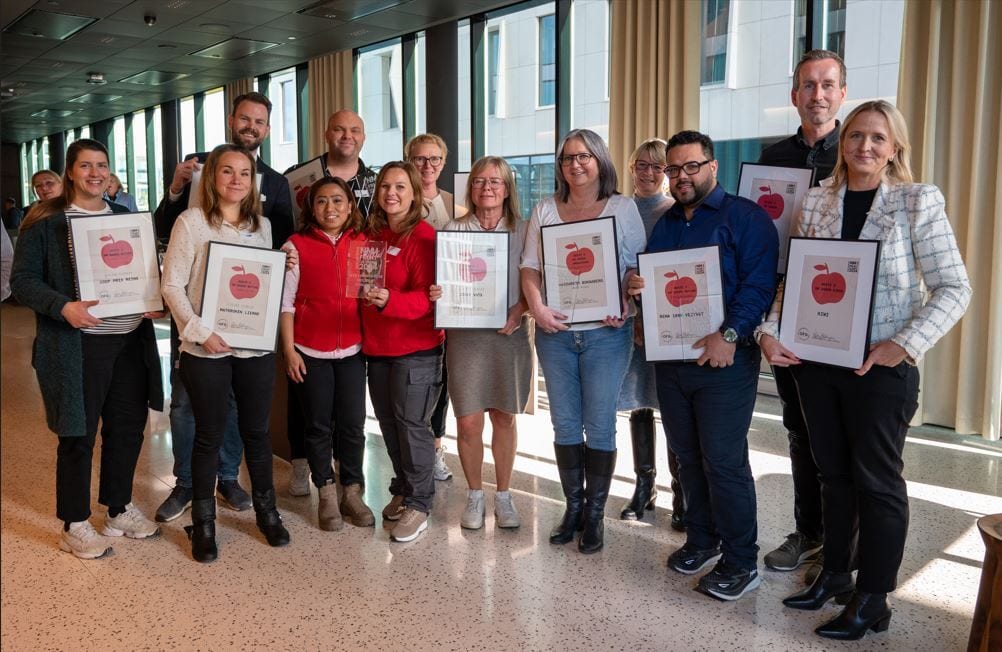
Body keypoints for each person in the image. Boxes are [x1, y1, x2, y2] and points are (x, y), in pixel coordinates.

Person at [757, 100, 971, 639]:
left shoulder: (916, 202)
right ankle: (833, 575)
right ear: (842, 142)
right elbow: (797, 280)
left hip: (879, 368)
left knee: (878, 483)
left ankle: (873, 596)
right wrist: (770, 331)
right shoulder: (817, 200)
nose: (864, 147)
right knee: (833, 476)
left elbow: (955, 288)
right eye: (856, 137)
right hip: (818, 362)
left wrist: (904, 344)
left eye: (878, 138)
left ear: (894, 147)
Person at [628, 130, 778, 600]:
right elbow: (656, 280)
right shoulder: (668, 223)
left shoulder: (746, 219)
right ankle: (702, 538)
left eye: (691, 167)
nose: (681, 177)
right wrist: (637, 284)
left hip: (723, 361)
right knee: (687, 456)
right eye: (674, 169)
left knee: (724, 461)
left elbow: (757, 288)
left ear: (712, 166)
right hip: (673, 360)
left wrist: (729, 334)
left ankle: (740, 560)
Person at [10, 139, 163, 559]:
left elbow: (145, 274)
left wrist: (152, 300)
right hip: (80, 346)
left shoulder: (124, 220)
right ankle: (74, 522)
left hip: (130, 340)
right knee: (77, 433)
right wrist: (63, 307)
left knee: (127, 429)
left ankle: (118, 509)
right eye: (85, 166)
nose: (95, 173)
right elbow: (21, 282)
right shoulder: (44, 221)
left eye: (102, 165)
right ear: (70, 172)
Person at [153, 91, 294, 523]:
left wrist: (288, 258)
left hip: (248, 341)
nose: (236, 179)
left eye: (244, 174)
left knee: (242, 418)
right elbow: (170, 279)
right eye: (228, 172)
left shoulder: (267, 213)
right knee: (188, 411)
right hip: (200, 337)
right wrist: (198, 330)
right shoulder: (191, 212)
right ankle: (189, 488)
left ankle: (229, 480)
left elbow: (275, 259)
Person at [521, 128, 646, 554]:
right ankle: (572, 508)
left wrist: (626, 293)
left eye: (584, 156)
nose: (576, 164)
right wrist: (537, 309)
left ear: (600, 161)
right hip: (555, 335)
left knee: (600, 423)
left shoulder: (622, 208)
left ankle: (594, 515)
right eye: (568, 157)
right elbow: (530, 269)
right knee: (565, 423)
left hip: (606, 334)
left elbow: (634, 270)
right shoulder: (544, 210)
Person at [758, 49, 847, 580]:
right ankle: (809, 533)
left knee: (841, 433)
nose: (817, 94)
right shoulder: (772, 155)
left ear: (841, 93)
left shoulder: (859, 149)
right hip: (784, 306)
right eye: (808, 85)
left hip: (841, 311)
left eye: (827, 84)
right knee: (797, 427)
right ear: (795, 95)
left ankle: (845, 546)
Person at [427, 156, 532, 530]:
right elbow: (442, 281)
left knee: (504, 416)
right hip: (466, 337)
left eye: (496, 182)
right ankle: (474, 495)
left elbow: (537, 283)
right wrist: (439, 291)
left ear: (507, 189)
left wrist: (519, 309)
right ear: (469, 188)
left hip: (509, 333)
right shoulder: (454, 229)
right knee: (468, 421)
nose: (487, 188)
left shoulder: (523, 229)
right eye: (479, 181)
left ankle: (503, 495)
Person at [283, 108, 377, 495]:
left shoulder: (364, 244)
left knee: (353, 424)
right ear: (311, 207)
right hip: (310, 349)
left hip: (353, 349)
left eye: (338, 201)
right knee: (318, 423)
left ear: (350, 206)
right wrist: (289, 351)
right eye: (322, 202)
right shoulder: (296, 246)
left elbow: (372, 297)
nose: (331, 209)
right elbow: (286, 304)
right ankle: (324, 487)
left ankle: (352, 489)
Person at [361, 161, 444, 543]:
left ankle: (421, 504)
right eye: (384, 187)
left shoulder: (424, 238)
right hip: (378, 348)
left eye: (399, 187)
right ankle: (405, 488)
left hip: (416, 349)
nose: (390, 193)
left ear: (414, 193)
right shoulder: (372, 235)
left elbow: (428, 301)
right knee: (390, 426)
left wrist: (389, 300)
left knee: (412, 426)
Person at [615, 138, 685, 530]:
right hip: (630, 323)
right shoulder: (620, 210)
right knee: (640, 404)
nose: (648, 172)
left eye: (657, 167)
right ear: (631, 167)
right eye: (641, 165)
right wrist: (634, 318)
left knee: (671, 406)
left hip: (666, 324)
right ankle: (645, 486)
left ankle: (682, 492)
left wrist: (652, 320)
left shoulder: (676, 211)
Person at [405, 132, 468, 483]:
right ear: (409, 160)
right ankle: (411, 455)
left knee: (441, 386)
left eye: (435, 159)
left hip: (449, 312)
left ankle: (436, 452)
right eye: (420, 159)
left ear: (443, 163)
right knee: (415, 390)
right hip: (412, 311)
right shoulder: (399, 200)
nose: (427, 166)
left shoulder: (457, 202)